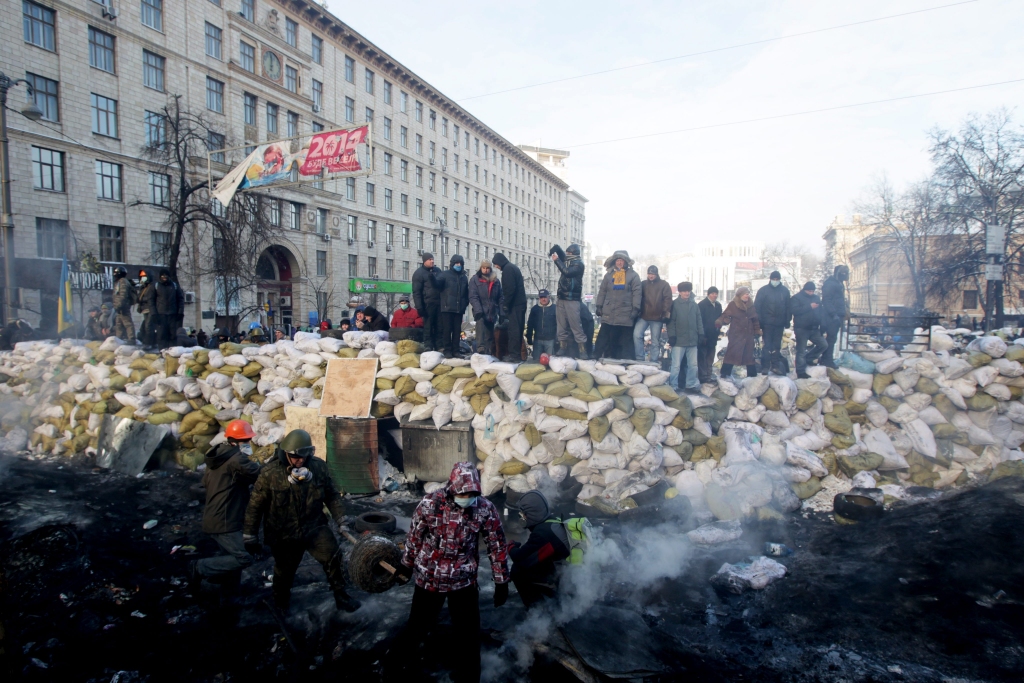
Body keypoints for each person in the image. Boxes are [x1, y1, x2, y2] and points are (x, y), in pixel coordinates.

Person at [391, 462, 510, 682]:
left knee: (468, 635)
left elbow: (497, 545)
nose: (468, 498)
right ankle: (394, 668)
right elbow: (414, 538)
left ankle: (468, 677)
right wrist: (406, 565)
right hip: (430, 579)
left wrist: (501, 581)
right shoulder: (430, 504)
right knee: (417, 627)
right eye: (463, 493)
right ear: (452, 488)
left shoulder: (484, 508)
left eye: (472, 493)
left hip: (463, 583)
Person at [243, 429, 361, 613]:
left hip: (314, 526)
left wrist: (341, 519)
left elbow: (331, 495)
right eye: (294, 457)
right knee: (284, 571)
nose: (299, 461)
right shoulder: (270, 474)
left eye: (303, 457)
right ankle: (281, 605)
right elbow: (255, 506)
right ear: (285, 454)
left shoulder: (319, 467)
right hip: (283, 531)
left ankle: (341, 596)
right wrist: (249, 534)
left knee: (333, 558)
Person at [189, 420, 261, 594]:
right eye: (246, 441)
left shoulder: (217, 459)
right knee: (244, 558)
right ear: (235, 442)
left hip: (219, 517)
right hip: (224, 521)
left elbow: (208, 483)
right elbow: (260, 475)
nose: (248, 444)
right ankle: (201, 567)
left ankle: (228, 597)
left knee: (230, 560)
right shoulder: (236, 459)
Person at [508, 490, 571, 609]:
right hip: (567, 569)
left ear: (531, 514)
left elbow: (522, 559)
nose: (521, 516)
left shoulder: (543, 534)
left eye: (523, 513)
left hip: (564, 576)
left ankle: (537, 610)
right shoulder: (551, 522)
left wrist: (511, 547)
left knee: (518, 571)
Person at [594, 250, 642, 360]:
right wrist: (599, 306)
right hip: (609, 313)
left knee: (625, 340)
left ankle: (626, 361)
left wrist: (636, 308)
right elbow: (602, 291)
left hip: (625, 313)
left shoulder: (633, 276)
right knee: (604, 336)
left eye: (621, 260)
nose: (619, 263)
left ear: (626, 262)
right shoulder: (609, 275)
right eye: (618, 260)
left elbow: (637, 293)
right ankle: (597, 356)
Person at [550, 244, 589, 359]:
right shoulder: (570, 261)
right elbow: (564, 259)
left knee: (575, 324)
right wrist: (557, 248)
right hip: (562, 297)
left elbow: (567, 272)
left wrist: (556, 260)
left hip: (572, 299)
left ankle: (582, 350)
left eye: (569, 253)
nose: (567, 255)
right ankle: (562, 347)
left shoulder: (578, 264)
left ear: (574, 254)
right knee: (561, 325)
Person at [715, 286, 761, 381]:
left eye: (748, 294)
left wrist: (757, 331)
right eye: (745, 294)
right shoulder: (733, 304)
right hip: (736, 334)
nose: (747, 296)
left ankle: (752, 377)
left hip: (748, 334)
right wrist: (721, 321)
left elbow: (755, 320)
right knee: (731, 354)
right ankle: (724, 374)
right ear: (740, 295)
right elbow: (725, 315)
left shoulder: (751, 305)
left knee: (749, 355)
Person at [666, 282, 704, 394]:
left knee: (693, 365)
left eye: (688, 291)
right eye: (684, 291)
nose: (687, 293)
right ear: (680, 292)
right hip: (678, 340)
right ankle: (673, 385)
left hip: (692, 340)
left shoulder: (694, 305)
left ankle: (690, 384)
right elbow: (671, 322)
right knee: (676, 365)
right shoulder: (675, 305)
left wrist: (701, 334)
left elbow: (699, 321)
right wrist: (671, 335)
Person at [754, 271, 792, 376]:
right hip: (767, 323)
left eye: (777, 279)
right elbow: (757, 307)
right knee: (767, 346)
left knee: (776, 346)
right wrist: (759, 323)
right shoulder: (763, 291)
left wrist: (787, 320)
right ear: (770, 279)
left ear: (780, 280)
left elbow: (788, 307)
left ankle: (775, 365)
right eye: (773, 279)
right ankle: (765, 366)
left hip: (779, 324)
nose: (775, 281)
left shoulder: (784, 291)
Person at [492, 252, 526, 363]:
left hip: (515, 305)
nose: (496, 267)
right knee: (518, 330)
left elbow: (509, 290)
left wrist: (506, 305)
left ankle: (514, 355)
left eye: (496, 264)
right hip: (520, 303)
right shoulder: (513, 267)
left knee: (513, 331)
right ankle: (516, 355)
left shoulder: (507, 270)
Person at [634, 265, 672, 362]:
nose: (651, 276)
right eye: (649, 274)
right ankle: (640, 358)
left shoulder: (664, 284)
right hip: (644, 316)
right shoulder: (643, 284)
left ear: (656, 274)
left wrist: (665, 313)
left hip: (657, 317)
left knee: (655, 341)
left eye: (653, 274)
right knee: (637, 335)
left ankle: (653, 361)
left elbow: (667, 300)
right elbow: (637, 297)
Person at [791, 282, 827, 378]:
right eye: (809, 291)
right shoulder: (796, 298)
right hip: (801, 328)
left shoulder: (816, 298)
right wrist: (809, 307)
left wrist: (822, 324)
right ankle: (800, 371)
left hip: (814, 328)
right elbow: (794, 310)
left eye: (812, 291)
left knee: (823, 344)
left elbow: (820, 311)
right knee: (801, 350)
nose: (811, 293)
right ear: (804, 290)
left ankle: (810, 358)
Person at [436, 254, 469, 358]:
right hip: (447, 308)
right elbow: (437, 285)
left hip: (459, 309)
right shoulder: (444, 274)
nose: (458, 265)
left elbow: (466, 293)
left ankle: (456, 350)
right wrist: (432, 279)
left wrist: (465, 303)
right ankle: (447, 350)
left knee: (457, 331)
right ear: (452, 264)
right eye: (456, 263)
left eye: (460, 263)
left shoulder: (464, 277)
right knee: (447, 330)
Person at [468, 259, 502, 355]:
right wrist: (478, 309)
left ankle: (489, 351)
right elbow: (473, 296)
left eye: (487, 268)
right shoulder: (475, 279)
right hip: (480, 311)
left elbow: (500, 297)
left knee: (489, 334)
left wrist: (501, 311)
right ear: (480, 268)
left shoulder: (495, 281)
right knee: (480, 332)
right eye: (483, 268)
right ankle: (480, 349)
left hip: (492, 312)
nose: (485, 270)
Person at [412, 252, 443, 351]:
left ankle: (439, 345)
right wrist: (419, 307)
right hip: (427, 304)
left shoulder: (437, 271)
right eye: (430, 259)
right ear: (424, 261)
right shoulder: (419, 273)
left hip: (439, 303)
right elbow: (416, 292)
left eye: (432, 259)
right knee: (428, 326)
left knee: (439, 326)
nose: (432, 261)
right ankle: (428, 345)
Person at [821, 265, 849, 368]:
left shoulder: (838, 283)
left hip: (837, 315)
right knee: (831, 339)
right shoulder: (830, 284)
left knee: (832, 339)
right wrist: (833, 314)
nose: (844, 275)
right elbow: (826, 300)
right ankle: (827, 359)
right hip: (831, 316)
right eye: (843, 273)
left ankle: (826, 359)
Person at [698, 287, 723, 383]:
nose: (714, 295)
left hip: (713, 336)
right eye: (712, 293)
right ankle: (702, 377)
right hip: (704, 336)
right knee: (702, 358)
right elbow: (699, 321)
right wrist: (702, 335)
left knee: (710, 357)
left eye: (716, 294)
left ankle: (709, 375)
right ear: (708, 294)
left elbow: (720, 318)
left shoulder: (718, 305)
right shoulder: (702, 305)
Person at [526, 289, 558, 360]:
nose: (543, 299)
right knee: (536, 362)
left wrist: (557, 338)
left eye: (545, 297)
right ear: (539, 298)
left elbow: (559, 325)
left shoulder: (555, 308)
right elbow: (530, 324)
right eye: (541, 297)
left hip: (550, 340)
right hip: (538, 340)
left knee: (551, 362)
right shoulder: (534, 309)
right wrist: (529, 337)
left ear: (549, 297)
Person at [155, 269, 182, 349]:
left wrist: (180, 312)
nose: (164, 277)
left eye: (166, 275)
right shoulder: (156, 286)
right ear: (160, 277)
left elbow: (180, 299)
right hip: (161, 315)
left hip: (172, 314)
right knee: (161, 335)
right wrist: (154, 314)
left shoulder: (174, 286)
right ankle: (162, 351)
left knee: (173, 335)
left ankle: (172, 353)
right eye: (162, 275)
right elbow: (151, 300)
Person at [111, 266, 136, 344]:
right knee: (119, 324)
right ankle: (119, 339)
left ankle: (131, 339)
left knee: (127, 323)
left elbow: (123, 295)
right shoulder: (119, 282)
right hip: (120, 307)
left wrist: (119, 306)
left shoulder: (122, 282)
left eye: (116, 273)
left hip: (123, 307)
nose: (114, 275)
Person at [136, 270, 156, 349]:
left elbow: (150, 298)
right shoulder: (143, 287)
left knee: (149, 326)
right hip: (145, 309)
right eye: (141, 277)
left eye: (144, 277)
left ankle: (149, 343)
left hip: (151, 309)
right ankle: (149, 342)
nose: (142, 278)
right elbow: (139, 298)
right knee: (146, 326)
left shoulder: (152, 286)